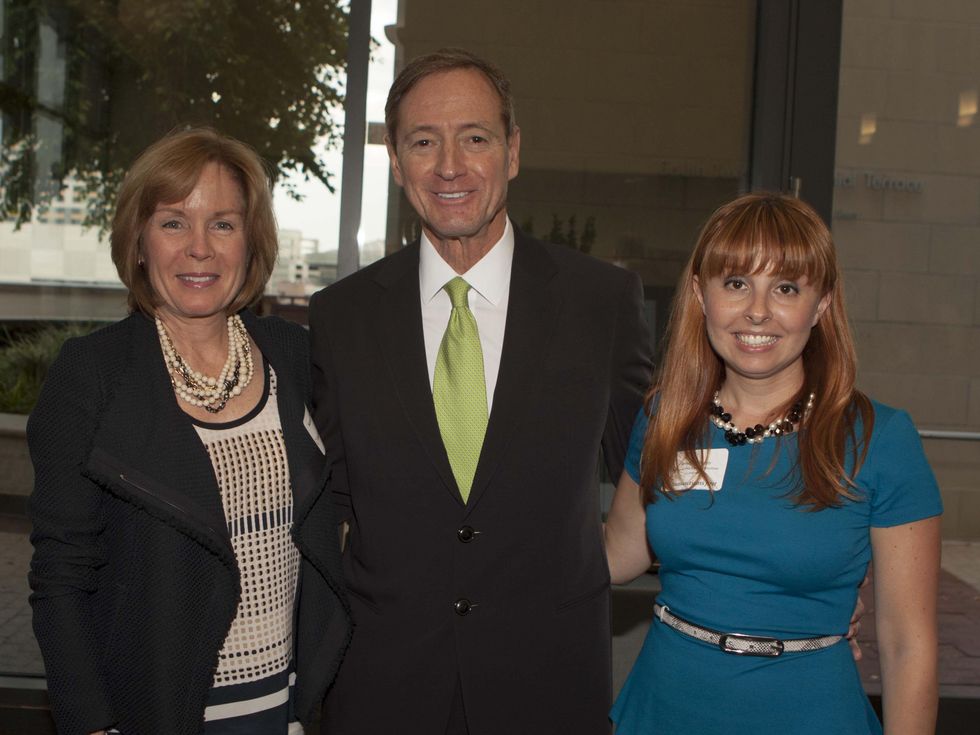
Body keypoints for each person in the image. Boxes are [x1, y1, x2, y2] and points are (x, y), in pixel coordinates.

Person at [307, 48, 653, 734]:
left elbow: (658, 465)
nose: (450, 165)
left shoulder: (600, 304)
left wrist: (795, 581)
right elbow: (326, 506)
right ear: (397, 163)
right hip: (382, 692)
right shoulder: (340, 316)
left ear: (513, 152)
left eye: (475, 138)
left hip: (548, 690)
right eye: (423, 142)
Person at [27, 128, 350, 735]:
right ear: (140, 242)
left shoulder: (295, 357)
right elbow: (60, 575)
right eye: (174, 223)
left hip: (286, 712)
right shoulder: (93, 375)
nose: (199, 249)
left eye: (223, 224)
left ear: (251, 245)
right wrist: (92, 725)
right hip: (155, 715)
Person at [604, 192, 942, 734]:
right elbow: (616, 553)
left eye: (786, 288)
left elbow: (909, 646)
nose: (757, 311)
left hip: (810, 714)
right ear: (700, 293)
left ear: (822, 304)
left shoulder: (880, 439)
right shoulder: (664, 418)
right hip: (662, 710)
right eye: (736, 283)